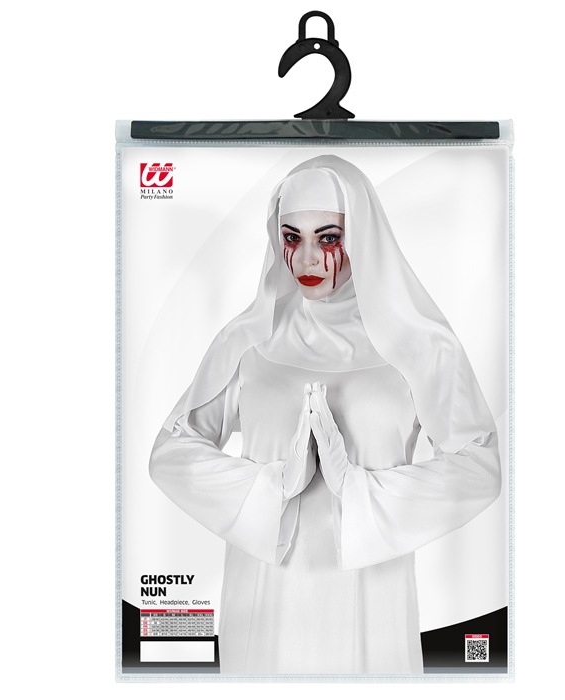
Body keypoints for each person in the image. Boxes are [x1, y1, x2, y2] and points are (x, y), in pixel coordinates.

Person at [149, 155, 501, 675]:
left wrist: (358, 490)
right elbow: (171, 455)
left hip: (372, 610)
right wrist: (274, 485)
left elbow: (480, 468)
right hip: (263, 611)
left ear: (362, 235)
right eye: (292, 237)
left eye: (329, 238)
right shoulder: (250, 340)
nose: (308, 258)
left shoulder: (421, 346)